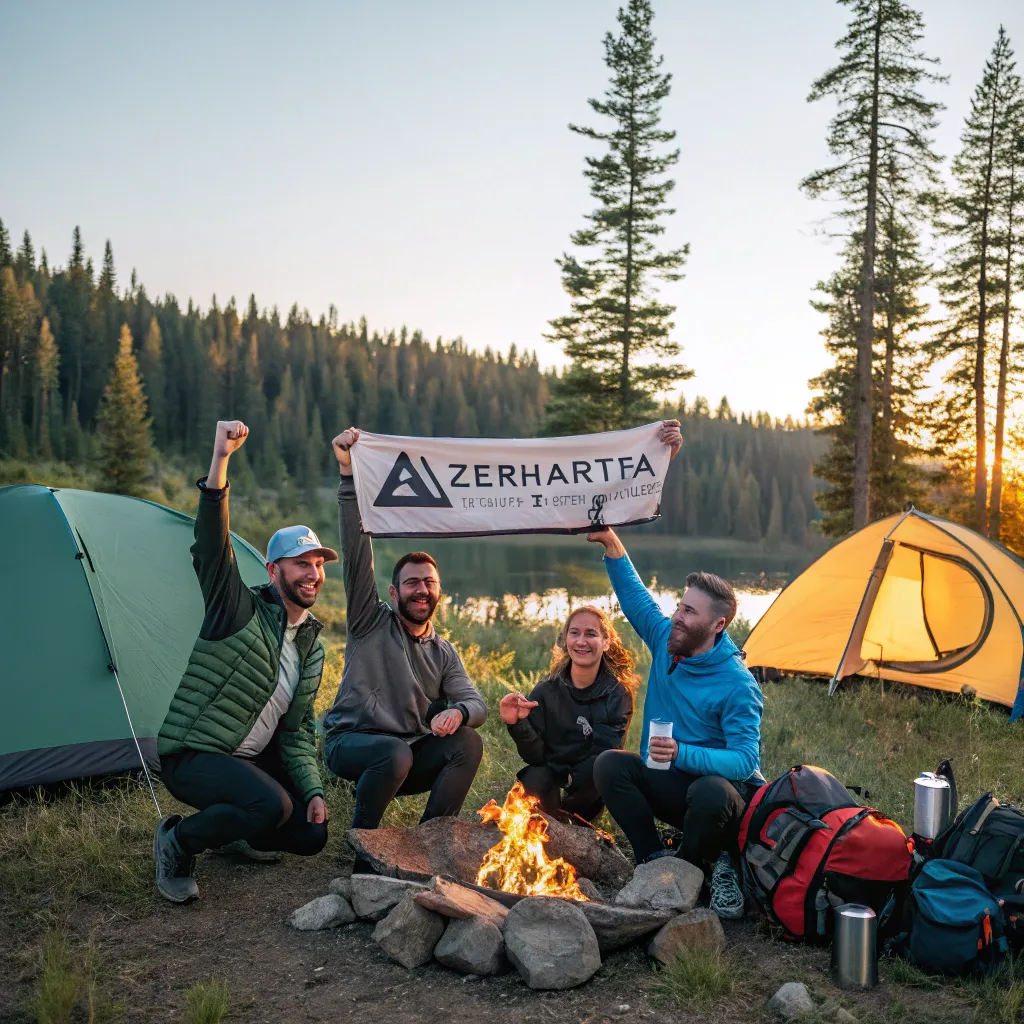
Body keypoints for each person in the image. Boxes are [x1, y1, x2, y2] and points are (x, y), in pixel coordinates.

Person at [587, 419, 764, 920]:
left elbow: (746, 760)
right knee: (610, 766)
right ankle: (652, 859)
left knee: (711, 791)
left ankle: (702, 868)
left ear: (718, 624)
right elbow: (636, 596)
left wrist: (685, 752)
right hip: (671, 784)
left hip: (718, 799)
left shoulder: (737, 684)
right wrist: (612, 544)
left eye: (689, 612)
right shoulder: (668, 639)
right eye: (679, 605)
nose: (677, 616)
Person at [154, 420, 332, 904]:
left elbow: (296, 731)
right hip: (195, 754)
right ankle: (178, 841)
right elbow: (211, 548)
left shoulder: (310, 645)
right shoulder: (238, 608)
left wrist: (313, 790)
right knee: (269, 804)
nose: (313, 573)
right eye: (302, 563)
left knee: (310, 835)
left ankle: (233, 830)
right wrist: (220, 461)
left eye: (318, 564)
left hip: (249, 761)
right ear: (274, 570)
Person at [323, 427, 488, 834]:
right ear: (394, 591)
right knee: (392, 752)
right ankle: (364, 842)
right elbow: (356, 551)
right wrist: (348, 477)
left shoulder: (442, 652)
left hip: (406, 755)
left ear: (438, 592)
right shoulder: (369, 619)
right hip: (350, 745)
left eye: (429, 583)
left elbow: (477, 704)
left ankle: (430, 840)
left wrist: (458, 711)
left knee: (467, 743)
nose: (421, 590)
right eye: (412, 583)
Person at [500, 605, 636, 822]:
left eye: (591, 634)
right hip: (552, 775)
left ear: (606, 642)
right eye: (575, 633)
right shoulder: (546, 689)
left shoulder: (616, 693)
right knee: (535, 775)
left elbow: (605, 752)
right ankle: (545, 824)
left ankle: (567, 822)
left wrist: (570, 781)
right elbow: (534, 757)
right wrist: (518, 724)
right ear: (565, 640)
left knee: (603, 766)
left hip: (587, 785)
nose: (581, 641)